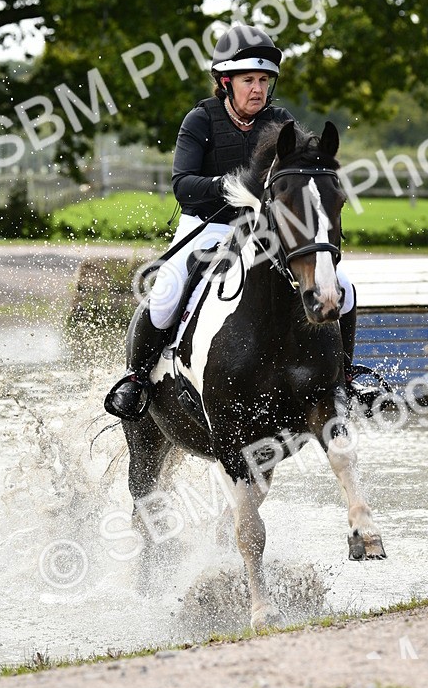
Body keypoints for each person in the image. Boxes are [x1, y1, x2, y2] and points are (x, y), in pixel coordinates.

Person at [105, 22, 360, 420]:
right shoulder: (200, 120)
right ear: (226, 83)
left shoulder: (280, 121)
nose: (257, 89)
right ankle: (137, 379)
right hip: (206, 227)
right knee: (166, 292)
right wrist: (228, 185)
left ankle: (345, 377)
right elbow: (183, 185)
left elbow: (300, 170)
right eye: (248, 80)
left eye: (263, 80)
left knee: (344, 286)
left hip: (263, 232)